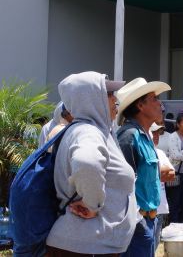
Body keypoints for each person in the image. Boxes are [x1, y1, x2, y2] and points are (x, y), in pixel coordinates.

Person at [45, 72, 137, 256]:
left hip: (87, 244)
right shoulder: (88, 132)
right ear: (90, 99)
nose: (115, 100)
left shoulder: (93, 131)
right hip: (85, 245)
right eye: (109, 94)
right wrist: (92, 204)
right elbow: (87, 162)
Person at [116, 77, 171, 256]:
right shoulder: (129, 136)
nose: (159, 103)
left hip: (149, 221)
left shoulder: (143, 135)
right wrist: (137, 222)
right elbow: (121, 186)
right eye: (154, 99)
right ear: (140, 106)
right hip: (136, 225)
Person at [150, 123, 176, 252]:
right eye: (153, 132)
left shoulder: (160, 152)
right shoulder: (140, 151)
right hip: (145, 207)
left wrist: (151, 173)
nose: (156, 136)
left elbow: (171, 174)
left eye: (158, 133)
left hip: (160, 206)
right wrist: (160, 172)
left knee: (154, 243)